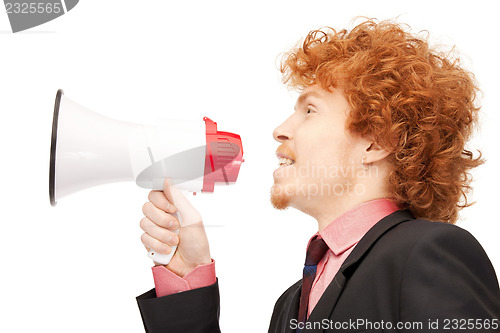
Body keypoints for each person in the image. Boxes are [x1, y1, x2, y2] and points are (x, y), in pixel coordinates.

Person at [136, 19, 500, 332]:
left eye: (310, 110)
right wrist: (189, 277)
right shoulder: (290, 304)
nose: (279, 130)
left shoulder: (429, 252)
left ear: (376, 142)